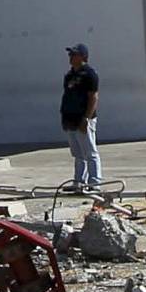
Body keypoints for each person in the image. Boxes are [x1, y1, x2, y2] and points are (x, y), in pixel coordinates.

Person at [60, 43, 101, 192]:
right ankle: (78, 182)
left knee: (90, 152)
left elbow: (93, 97)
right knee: (77, 153)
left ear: (83, 56)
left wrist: (87, 118)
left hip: (83, 119)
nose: (70, 57)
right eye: (70, 54)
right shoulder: (70, 75)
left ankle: (94, 183)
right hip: (70, 119)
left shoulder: (89, 74)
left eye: (74, 54)